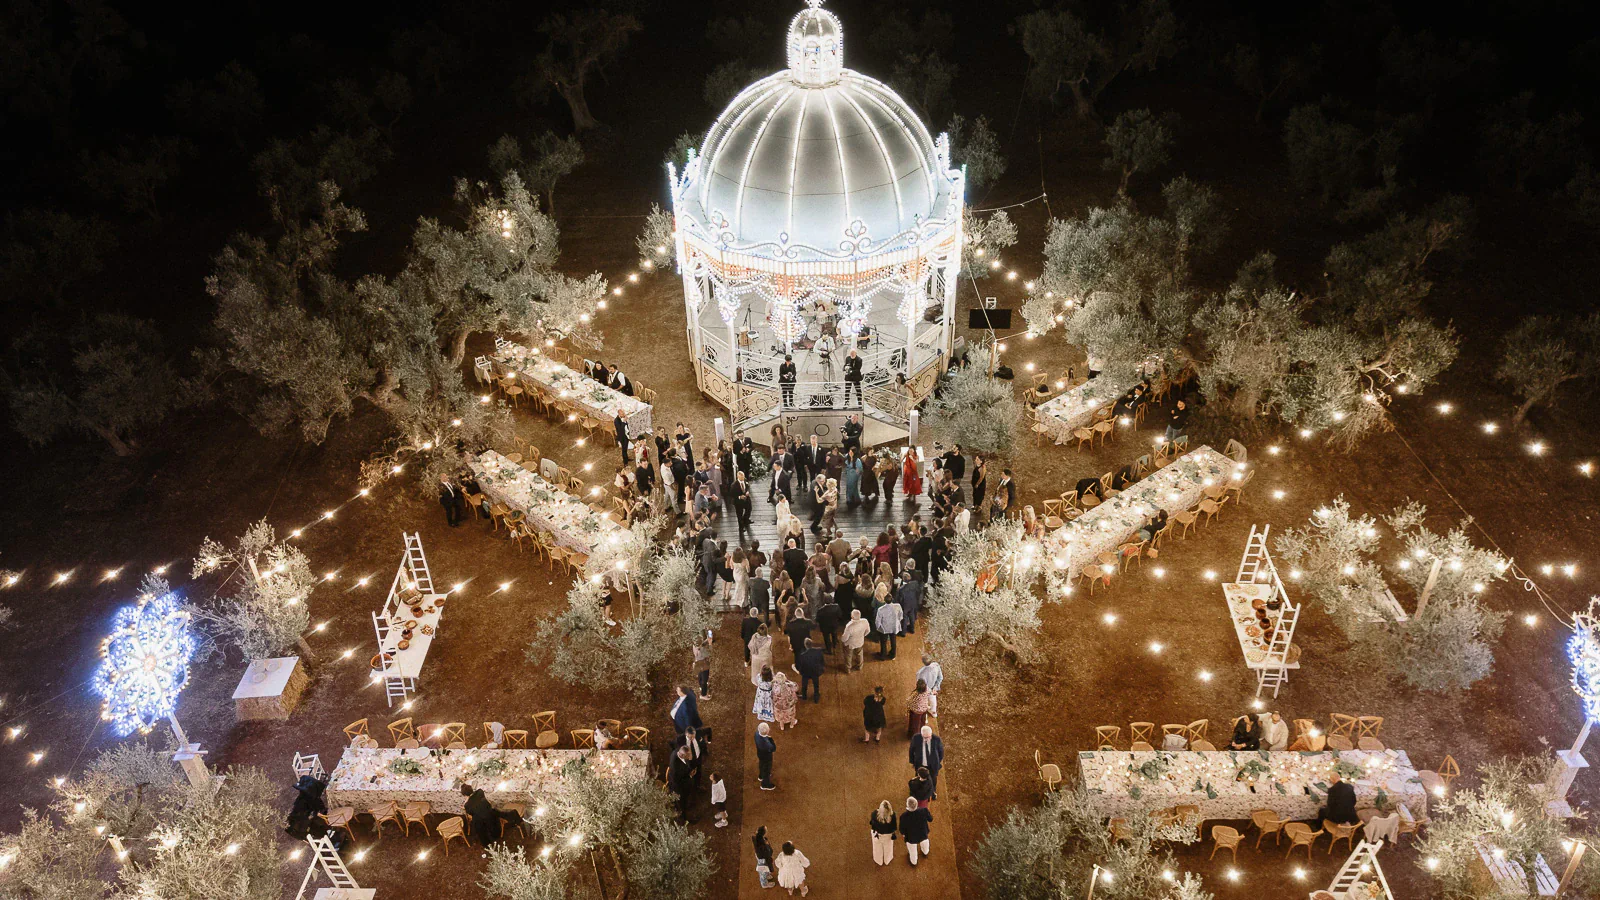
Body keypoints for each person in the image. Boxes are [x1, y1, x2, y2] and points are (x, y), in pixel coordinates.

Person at [910, 724, 945, 799]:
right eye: (924, 737)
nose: (926, 739)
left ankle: (933, 792)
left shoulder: (937, 739)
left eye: (928, 737)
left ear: (931, 734)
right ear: (921, 734)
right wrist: (912, 761)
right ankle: (917, 793)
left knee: (933, 779)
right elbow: (911, 750)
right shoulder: (916, 738)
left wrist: (938, 762)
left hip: (932, 765)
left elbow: (941, 752)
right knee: (919, 779)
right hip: (920, 765)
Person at [899, 797, 933, 866]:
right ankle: (925, 852)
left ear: (908, 805)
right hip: (923, 833)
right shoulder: (924, 810)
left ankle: (914, 862)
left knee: (913, 851)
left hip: (911, 837)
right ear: (916, 804)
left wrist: (903, 834)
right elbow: (930, 819)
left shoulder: (903, 816)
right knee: (925, 844)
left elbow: (902, 829)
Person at [669, 744, 696, 821]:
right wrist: (690, 776)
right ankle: (683, 818)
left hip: (682, 778)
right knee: (682, 802)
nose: (691, 756)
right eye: (689, 755)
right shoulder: (675, 767)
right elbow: (677, 780)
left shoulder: (679, 750)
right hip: (678, 787)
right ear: (682, 755)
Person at [874, 591, 903, 660]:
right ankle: (893, 655)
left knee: (883, 642)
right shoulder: (898, 606)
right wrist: (898, 622)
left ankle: (883, 655)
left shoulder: (880, 609)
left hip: (884, 628)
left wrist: (878, 628)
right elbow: (901, 616)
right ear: (892, 599)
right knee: (893, 641)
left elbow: (878, 621)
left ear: (884, 600)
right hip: (894, 627)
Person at [794, 638, 824, 702]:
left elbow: (801, 666)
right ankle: (816, 697)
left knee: (804, 684)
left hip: (806, 673)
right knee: (816, 685)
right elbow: (822, 662)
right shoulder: (818, 652)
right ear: (812, 644)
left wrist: (800, 672)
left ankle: (804, 696)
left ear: (805, 645)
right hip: (815, 671)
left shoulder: (802, 656)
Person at [870, 800, 898, 866]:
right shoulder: (893, 815)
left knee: (877, 848)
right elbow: (894, 827)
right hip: (888, 835)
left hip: (878, 835)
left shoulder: (874, 814)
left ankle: (878, 860)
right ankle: (887, 860)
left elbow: (872, 825)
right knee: (888, 848)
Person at [915, 654, 943, 718]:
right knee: (933, 701)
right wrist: (935, 688)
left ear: (923, 662)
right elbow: (940, 677)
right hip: (933, 689)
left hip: (925, 690)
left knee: (922, 703)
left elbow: (921, 685)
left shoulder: (920, 673)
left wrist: (929, 692)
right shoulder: (936, 665)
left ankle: (924, 717)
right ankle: (933, 712)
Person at [755, 723, 777, 790]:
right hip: (767, 757)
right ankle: (765, 785)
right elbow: (773, 748)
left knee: (761, 764)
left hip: (760, 754)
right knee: (766, 770)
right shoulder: (767, 744)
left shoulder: (756, 734)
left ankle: (761, 776)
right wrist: (770, 740)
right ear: (768, 731)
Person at [693, 633, 713, 700]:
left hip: (698, 663)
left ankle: (701, 687)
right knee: (705, 680)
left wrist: (706, 640)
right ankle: (703, 694)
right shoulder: (702, 650)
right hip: (704, 665)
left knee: (700, 676)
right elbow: (710, 653)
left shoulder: (695, 646)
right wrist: (710, 644)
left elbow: (701, 645)